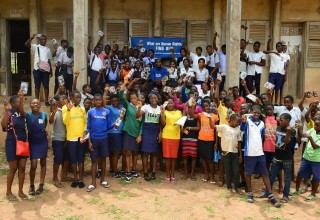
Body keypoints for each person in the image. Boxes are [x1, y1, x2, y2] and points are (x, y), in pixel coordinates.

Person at [240, 105, 280, 207]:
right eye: (254, 112)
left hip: (260, 152)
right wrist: (243, 122)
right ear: (251, 112)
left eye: (258, 113)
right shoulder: (247, 121)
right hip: (249, 153)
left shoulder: (262, 123)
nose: (256, 114)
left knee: (265, 173)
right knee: (248, 173)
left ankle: (270, 194)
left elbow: (261, 137)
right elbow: (242, 128)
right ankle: (249, 193)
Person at [1, 92, 28, 201]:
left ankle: (20, 191)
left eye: (20, 101)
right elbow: (3, 126)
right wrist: (7, 110)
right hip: (12, 143)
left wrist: (21, 98)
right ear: (12, 104)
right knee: (13, 168)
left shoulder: (22, 113)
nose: (20, 103)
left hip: (22, 143)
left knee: (22, 168)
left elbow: (24, 113)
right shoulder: (8, 113)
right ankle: (8, 192)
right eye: (18, 102)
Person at [86, 94, 113, 192]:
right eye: (96, 100)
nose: (98, 102)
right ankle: (93, 182)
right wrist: (89, 142)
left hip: (104, 139)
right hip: (93, 139)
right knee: (94, 161)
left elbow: (109, 126)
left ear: (102, 101)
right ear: (93, 101)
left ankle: (103, 180)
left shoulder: (107, 112)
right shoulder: (90, 112)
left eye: (99, 100)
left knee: (103, 160)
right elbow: (88, 128)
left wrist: (116, 123)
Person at [266, 113, 296, 203]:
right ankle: (267, 193)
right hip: (277, 156)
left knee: (287, 178)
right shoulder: (278, 128)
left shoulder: (292, 131)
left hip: (287, 158)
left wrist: (288, 132)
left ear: (287, 121)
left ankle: (285, 195)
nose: (280, 121)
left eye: (282, 120)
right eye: (280, 119)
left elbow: (287, 142)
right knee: (271, 176)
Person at [190, 99, 219, 184]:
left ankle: (212, 177)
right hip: (201, 139)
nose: (206, 108)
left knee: (210, 160)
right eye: (204, 106)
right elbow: (192, 115)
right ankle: (206, 175)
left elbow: (216, 131)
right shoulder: (200, 115)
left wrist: (216, 143)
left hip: (210, 140)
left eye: (207, 106)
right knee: (203, 159)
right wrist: (193, 106)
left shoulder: (215, 116)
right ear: (202, 108)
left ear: (210, 106)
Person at [212, 114, 243, 194]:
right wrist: (209, 118)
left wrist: (240, 154)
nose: (238, 123)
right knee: (228, 171)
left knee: (236, 171)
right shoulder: (224, 127)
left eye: (239, 122)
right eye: (237, 122)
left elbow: (239, 142)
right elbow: (213, 127)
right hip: (226, 153)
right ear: (231, 120)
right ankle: (229, 187)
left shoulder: (238, 129)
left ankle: (237, 187)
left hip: (235, 153)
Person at [119, 79, 143, 183]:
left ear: (137, 98)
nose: (133, 99)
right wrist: (125, 84)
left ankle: (133, 170)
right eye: (131, 98)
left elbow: (142, 123)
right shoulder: (127, 105)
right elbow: (120, 95)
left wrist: (140, 134)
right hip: (128, 132)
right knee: (127, 152)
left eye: (135, 97)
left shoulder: (141, 108)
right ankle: (128, 172)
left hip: (136, 133)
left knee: (135, 153)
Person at [62, 90, 87, 188]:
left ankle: (80, 179)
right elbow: (65, 122)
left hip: (81, 138)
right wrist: (68, 110)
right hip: (71, 138)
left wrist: (84, 132)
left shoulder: (82, 109)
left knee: (81, 159)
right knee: (73, 160)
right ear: (71, 98)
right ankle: (75, 179)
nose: (78, 99)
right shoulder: (65, 108)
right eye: (76, 97)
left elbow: (85, 122)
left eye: (80, 97)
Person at [136, 92, 162, 181]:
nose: (153, 100)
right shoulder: (145, 107)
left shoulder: (160, 108)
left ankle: (153, 172)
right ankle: (145, 172)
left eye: (155, 98)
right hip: (147, 129)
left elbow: (162, 123)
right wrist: (139, 107)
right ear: (149, 99)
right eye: (151, 98)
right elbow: (138, 116)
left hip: (155, 129)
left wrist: (160, 132)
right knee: (145, 152)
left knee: (154, 152)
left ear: (158, 99)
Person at [25, 99, 48, 196]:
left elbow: (45, 125)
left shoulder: (44, 115)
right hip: (33, 142)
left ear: (40, 105)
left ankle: (41, 184)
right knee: (33, 165)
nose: (35, 104)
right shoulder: (28, 115)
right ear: (30, 104)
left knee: (43, 162)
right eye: (33, 103)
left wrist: (44, 131)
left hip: (43, 140)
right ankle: (31, 185)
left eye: (37, 103)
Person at [294, 119, 320, 201]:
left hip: (316, 160)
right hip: (306, 157)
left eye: (317, 125)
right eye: (315, 124)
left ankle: (313, 194)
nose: (315, 126)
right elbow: (302, 135)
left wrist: (311, 138)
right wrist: (299, 127)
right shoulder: (312, 130)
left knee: (316, 177)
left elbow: (315, 147)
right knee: (299, 174)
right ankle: (296, 190)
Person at [25, 34, 52, 106]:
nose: (44, 40)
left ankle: (46, 100)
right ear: (39, 40)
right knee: (37, 85)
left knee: (46, 85)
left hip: (46, 70)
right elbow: (26, 44)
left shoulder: (48, 49)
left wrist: (51, 70)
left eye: (45, 39)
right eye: (42, 39)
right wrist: (31, 38)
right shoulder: (36, 47)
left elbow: (49, 60)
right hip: (37, 69)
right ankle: (37, 100)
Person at [49, 95, 70, 188]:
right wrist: (53, 113)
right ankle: (55, 178)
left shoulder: (69, 110)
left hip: (67, 139)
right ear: (58, 101)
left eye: (66, 99)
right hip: (58, 139)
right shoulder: (56, 111)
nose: (65, 100)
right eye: (62, 99)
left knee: (66, 158)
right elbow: (50, 121)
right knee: (58, 158)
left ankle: (64, 176)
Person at [160, 98, 183, 182]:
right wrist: (162, 113)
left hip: (176, 136)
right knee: (167, 156)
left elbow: (182, 122)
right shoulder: (164, 112)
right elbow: (162, 123)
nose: (170, 104)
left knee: (174, 157)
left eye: (171, 103)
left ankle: (172, 174)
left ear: (174, 104)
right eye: (168, 103)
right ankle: (167, 174)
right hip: (166, 135)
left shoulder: (179, 112)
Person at [107, 94, 125, 178]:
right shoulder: (110, 108)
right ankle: (115, 171)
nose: (114, 102)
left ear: (119, 100)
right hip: (113, 132)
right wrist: (105, 93)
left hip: (120, 131)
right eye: (112, 101)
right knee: (116, 152)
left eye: (116, 100)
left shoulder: (122, 107)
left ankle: (112, 168)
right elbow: (103, 104)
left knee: (114, 152)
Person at [181, 104, 200, 180]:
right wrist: (183, 129)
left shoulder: (196, 117)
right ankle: (186, 173)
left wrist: (188, 127)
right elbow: (181, 127)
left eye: (191, 108)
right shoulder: (184, 118)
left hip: (194, 139)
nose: (190, 110)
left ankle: (192, 173)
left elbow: (198, 128)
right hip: (185, 139)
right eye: (188, 108)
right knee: (185, 157)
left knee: (193, 157)